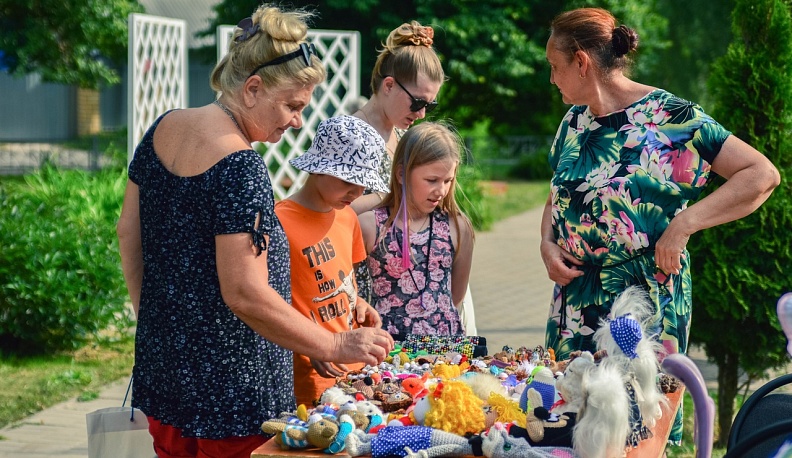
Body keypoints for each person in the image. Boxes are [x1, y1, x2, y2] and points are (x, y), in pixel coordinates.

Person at [116, 6, 394, 457]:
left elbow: (128, 232)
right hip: (234, 395)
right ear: (252, 89)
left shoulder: (162, 127)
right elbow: (244, 293)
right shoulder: (240, 167)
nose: (297, 120)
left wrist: (154, 324)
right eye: (292, 105)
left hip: (166, 376)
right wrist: (336, 342)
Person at [539, 6, 780, 444]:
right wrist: (546, 243)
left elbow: (761, 175)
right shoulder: (573, 120)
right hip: (575, 301)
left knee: (638, 429)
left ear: (581, 61)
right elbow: (559, 191)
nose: (552, 79)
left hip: (643, 302)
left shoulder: (673, 117)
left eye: (555, 67)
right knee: (568, 424)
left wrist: (684, 224)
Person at [350, 20, 479, 335]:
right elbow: (330, 212)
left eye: (430, 104)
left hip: (428, 284)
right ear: (389, 85)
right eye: (417, 102)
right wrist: (395, 198)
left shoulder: (397, 129)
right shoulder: (353, 135)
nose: (422, 113)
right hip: (375, 294)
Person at [275, 115, 390, 407]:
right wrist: (312, 344)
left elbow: (343, 280)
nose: (355, 192)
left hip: (353, 370)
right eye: (347, 180)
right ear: (317, 170)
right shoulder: (280, 222)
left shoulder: (348, 216)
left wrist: (360, 306)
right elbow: (269, 303)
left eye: (363, 184)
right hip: (306, 375)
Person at [359, 121, 475, 341]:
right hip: (388, 349)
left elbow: (456, 296)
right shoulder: (371, 226)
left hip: (446, 350)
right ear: (401, 174)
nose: (441, 190)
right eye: (431, 180)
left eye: (448, 180)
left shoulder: (458, 228)